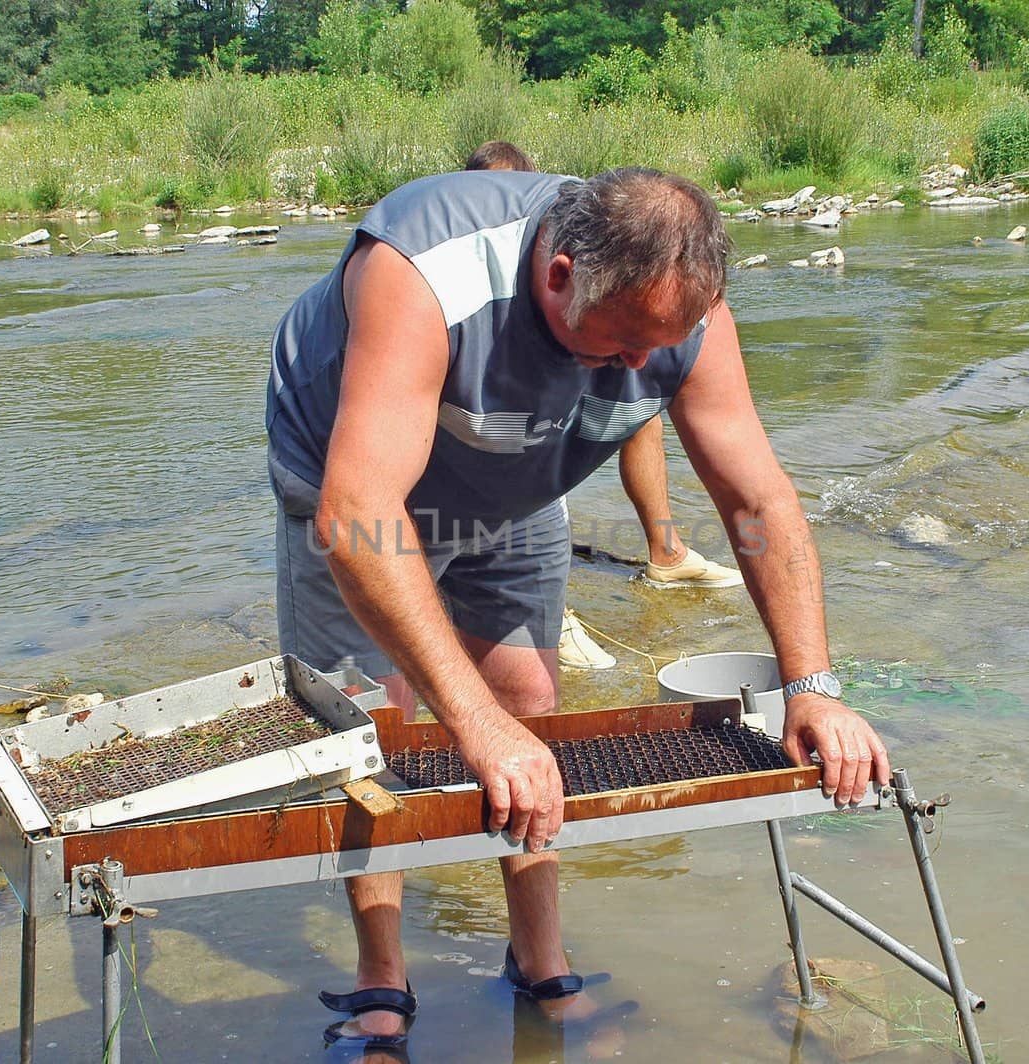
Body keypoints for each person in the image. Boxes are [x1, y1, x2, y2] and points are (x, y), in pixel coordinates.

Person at [266, 166, 890, 1054]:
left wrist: (813, 684)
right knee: (379, 728)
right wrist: (468, 721)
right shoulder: (427, 269)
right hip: (349, 479)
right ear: (559, 274)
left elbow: (757, 502)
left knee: (529, 703)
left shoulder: (685, 317)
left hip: (515, 486)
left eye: (659, 346)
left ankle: (539, 956)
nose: (642, 369)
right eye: (624, 341)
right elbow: (361, 514)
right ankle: (381, 979)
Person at [462, 141, 744, 672]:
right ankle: (543, 608)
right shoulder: (465, 262)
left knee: (638, 412)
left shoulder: (583, 235)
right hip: (485, 442)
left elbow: (754, 494)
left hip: (559, 396)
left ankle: (667, 553)